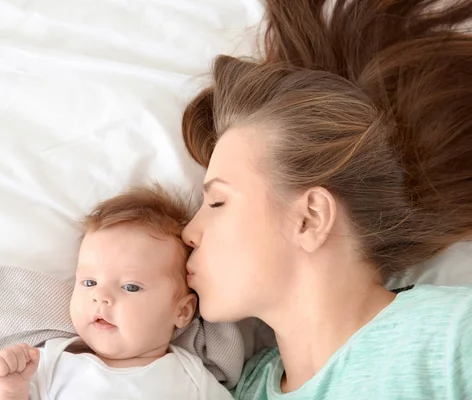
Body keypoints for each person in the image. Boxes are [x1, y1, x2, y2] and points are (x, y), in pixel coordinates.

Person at [180, 0, 472, 398]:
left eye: (217, 203)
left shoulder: (453, 337)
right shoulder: (242, 389)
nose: (189, 232)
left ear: (310, 218)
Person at [0, 185, 233, 400]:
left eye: (130, 286)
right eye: (89, 282)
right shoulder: (50, 364)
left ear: (182, 311)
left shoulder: (191, 377)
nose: (101, 296)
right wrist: (12, 390)